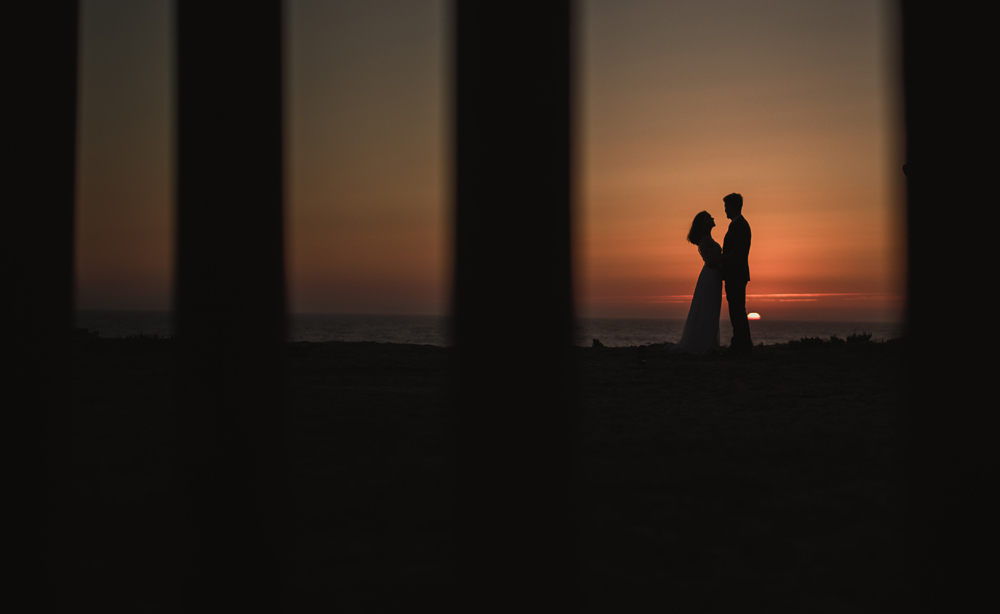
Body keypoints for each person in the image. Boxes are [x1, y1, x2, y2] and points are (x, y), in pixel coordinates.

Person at [670, 211, 722, 355]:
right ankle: (702, 343)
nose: (712, 218)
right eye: (708, 217)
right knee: (707, 307)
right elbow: (710, 261)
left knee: (712, 307)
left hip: (714, 276)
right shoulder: (705, 241)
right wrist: (726, 258)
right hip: (710, 276)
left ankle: (708, 341)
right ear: (703, 223)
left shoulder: (708, 239)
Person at [720, 193, 753, 354]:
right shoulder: (737, 225)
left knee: (737, 308)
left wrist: (721, 259)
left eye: (726, 206)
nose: (724, 210)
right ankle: (741, 341)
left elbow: (738, 251)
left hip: (736, 274)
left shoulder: (740, 226)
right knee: (736, 307)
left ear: (732, 207)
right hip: (736, 273)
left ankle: (742, 342)